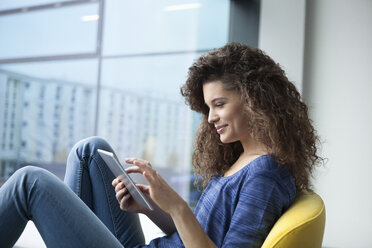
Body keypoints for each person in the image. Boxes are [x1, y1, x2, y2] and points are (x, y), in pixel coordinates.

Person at [0, 43, 322, 248]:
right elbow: (197, 232)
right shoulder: (243, 159)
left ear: (254, 100)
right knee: (89, 151)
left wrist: (177, 205)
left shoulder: (265, 175)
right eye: (208, 107)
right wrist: (149, 205)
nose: (210, 118)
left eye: (219, 104)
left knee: (30, 183)